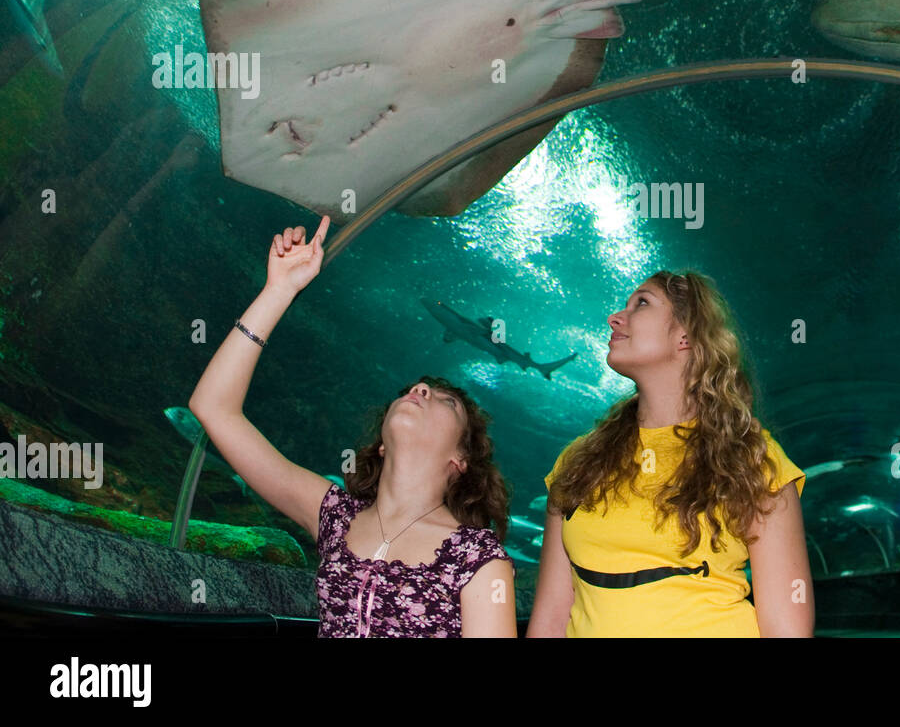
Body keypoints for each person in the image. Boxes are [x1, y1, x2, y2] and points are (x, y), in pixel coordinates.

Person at [187, 216, 515, 637]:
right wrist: (279, 290)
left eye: (445, 400)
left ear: (461, 459)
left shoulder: (479, 561)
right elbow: (213, 406)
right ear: (380, 446)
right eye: (416, 388)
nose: (420, 389)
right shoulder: (333, 516)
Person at [528, 271, 812, 637]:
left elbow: (787, 628)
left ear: (686, 335)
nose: (614, 318)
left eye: (642, 303)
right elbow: (551, 618)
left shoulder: (751, 458)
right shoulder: (578, 461)